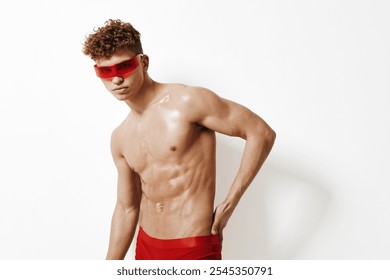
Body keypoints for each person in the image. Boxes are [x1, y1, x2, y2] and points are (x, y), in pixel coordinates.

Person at [82, 19, 276, 260]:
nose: (117, 79)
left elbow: (260, 132)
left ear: (143, 62)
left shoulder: (187, 102)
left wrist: (229, 204)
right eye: (106, 71)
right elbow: (126, 208)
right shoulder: (120, 137)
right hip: (145, 248)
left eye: (124, 67)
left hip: (193, 246)